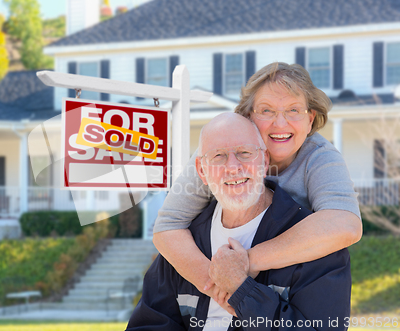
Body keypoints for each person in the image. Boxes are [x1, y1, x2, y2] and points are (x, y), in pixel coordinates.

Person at [152, 62, 361, 305]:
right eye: (266, 110)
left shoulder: (319, 157)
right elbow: (167, 226)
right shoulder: (216, 153)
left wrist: (247, 262)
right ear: (247, 116)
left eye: (293, 110)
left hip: (292, 288)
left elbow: (346, 224)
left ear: (310, 119)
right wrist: (218, 288)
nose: (280, 124)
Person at [126, 113, 351, 331]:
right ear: (201, 171)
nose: (233, 167)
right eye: (218, 156)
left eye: (244, 153)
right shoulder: (185, 245)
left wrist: (243, 292)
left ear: (264, 160)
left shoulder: (316, 245)